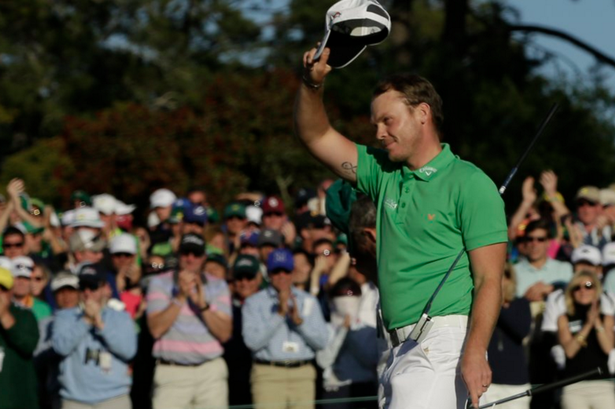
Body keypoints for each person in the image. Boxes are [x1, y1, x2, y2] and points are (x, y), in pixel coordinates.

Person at [295, 49, 508, 408]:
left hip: (441, 344)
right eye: (375, 123)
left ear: (422, 113)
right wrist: (311, 83)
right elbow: (315, 136)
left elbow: (490, 281)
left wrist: (475, 352)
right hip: (393, 348)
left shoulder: (470, 184)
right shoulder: (383, 173)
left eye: (387, 121)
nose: (378, 133)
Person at [146, 233, 232, 409]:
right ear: (178, 254)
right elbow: (156, 329)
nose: (190, 259)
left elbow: (224, 334)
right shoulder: (159, 283)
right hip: (172, 372)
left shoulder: (218, 286)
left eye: (196, 254)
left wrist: (202, 305)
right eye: (186, 253)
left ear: (204, 258)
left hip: (210, 373)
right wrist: (181, 296)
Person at [242, 248, 328, 409]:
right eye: (276, 271)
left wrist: (299, 322)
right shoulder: (254, 302)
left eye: (286, 271)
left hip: (302, 373)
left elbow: (322, 342)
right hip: (268, 374)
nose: (281, 276)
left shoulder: (308, 300)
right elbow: (252, 342)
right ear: (269, 273)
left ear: (293, 272)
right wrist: (279, 315)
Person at [52, 270, 137, 409]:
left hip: (114, 398)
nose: (87, 293)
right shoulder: (65, 317)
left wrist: (100, 324)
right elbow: (61, 347)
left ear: (104, 289)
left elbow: (128, 351)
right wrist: (86, 320)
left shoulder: (121, 316)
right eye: (83, 288)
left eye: (92, 288)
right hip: (75, 400)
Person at [557, 271, 615, 409]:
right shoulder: (564, 318)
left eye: (588, 285)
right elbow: (570, 352)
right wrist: (587, 325)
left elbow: (607, 348)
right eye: (577, 287)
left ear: (596, 289)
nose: (583, 290)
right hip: (574, 386)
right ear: (571, 292)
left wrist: (596, 321)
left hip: (602, 385)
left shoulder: (606, 318)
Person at [485, 264, 532, 409]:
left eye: (502, 274)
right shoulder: (480, 307)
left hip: (515, 383)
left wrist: (496, 303)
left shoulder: (520, 304)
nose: (497, 279)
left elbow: (521, 331)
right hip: (488, 383)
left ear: (510, 279)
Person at [223, 255, 263, 407]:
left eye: (249, 277)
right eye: (239, 278)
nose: (244, 282)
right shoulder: (225, 307)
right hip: (233, 377)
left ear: (258, 279)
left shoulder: (271, 305)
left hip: (262, 373)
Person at [0, 266, 40, 409]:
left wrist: (4, 316)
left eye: (2, 289)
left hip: (18, 401)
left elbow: (28, 345)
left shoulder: (24, 315)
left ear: (11, 292)